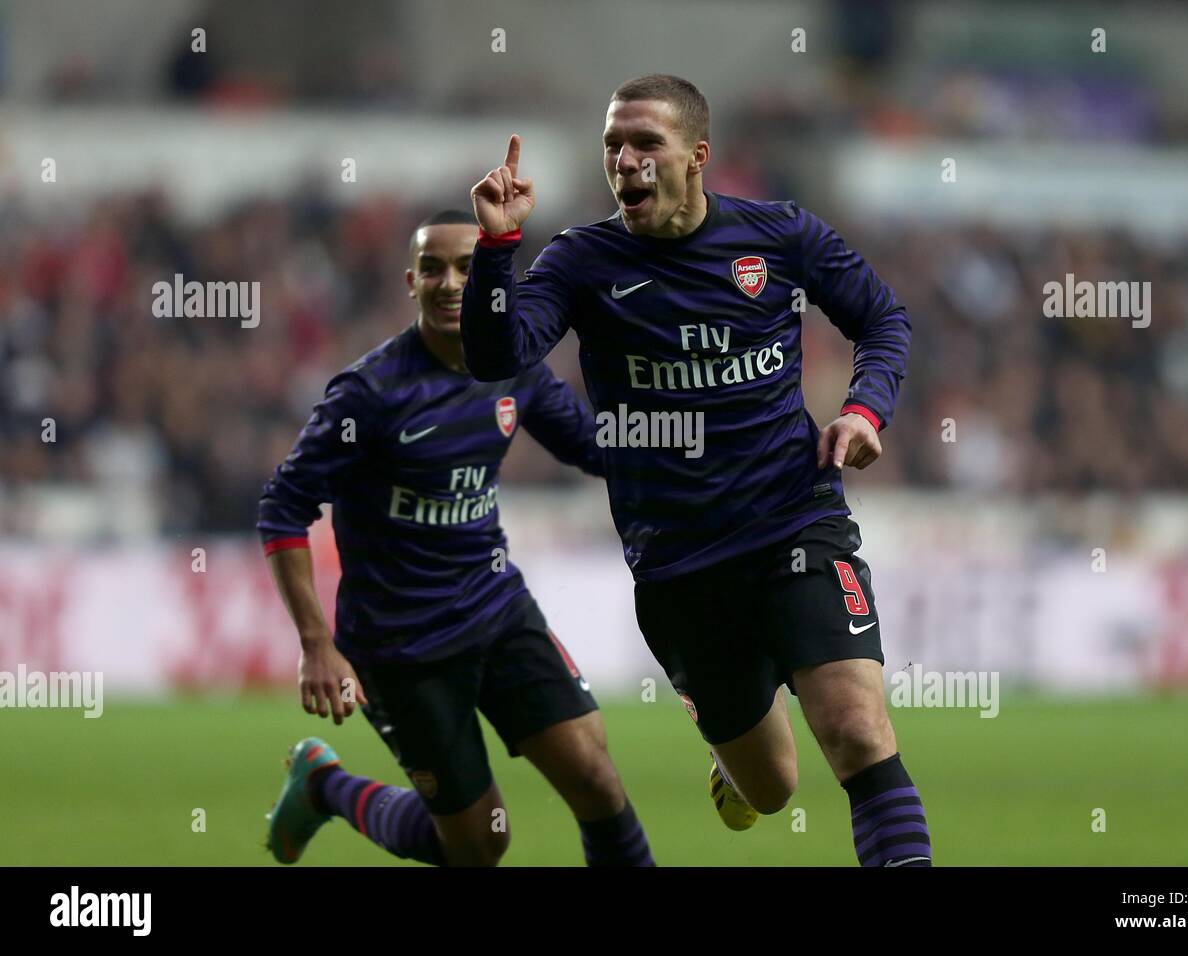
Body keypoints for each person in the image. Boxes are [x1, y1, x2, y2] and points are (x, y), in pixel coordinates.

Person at [461, 75, 930, 866]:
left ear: (697, 157)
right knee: (772, 788)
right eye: (614, 145)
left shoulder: (779, 237)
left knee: (854, 730)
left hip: (795, 518)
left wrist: (864, 409)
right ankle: (729, 763)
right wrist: (499, 249)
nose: (627, 160)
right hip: (681, 564)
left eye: (647, 143)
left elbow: (882, 316)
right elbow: (493, 357)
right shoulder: (582, 262)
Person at [259, 210, 653, 867]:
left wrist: (702, 444)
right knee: (478, 843)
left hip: (496, 609)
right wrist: (314, 645)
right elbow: (282, 508)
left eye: (468, 268)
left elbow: (596, 446)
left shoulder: (513, 367)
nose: (450, 283)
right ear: (410, 282)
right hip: (401, 645)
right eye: (434, 269)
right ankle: (325, 785)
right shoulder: (369, 394)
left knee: (592, 774)